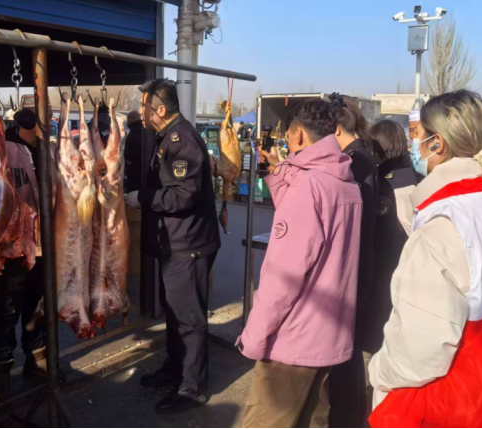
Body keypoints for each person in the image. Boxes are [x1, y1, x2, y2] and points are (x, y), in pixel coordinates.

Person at [369, 91, 482, 428]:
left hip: (456, 406)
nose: (414, 145)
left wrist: (378, 372)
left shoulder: (442, 225)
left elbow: (418, 353)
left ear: (438, 143)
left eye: (418, 135)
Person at [239, 99, 363, 429]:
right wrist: (278, 170)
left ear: (297, 134)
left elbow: (284, 276)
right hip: (330, 336)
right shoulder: (344, 179)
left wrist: (255, 335)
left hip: (294, 342)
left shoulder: (309, 186)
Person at [125, 79, 221, 415]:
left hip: (189, 244)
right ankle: (174, 368)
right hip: (176, 243)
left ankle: (193, 387)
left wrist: (142, 198)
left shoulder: (183, 140)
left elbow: (182, 195)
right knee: (175, 312)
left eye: (144, 107)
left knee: (189, 318)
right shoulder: (167, 136)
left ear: (161, 109)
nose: (141, 112)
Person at [0, 108, 47, 402]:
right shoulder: (5, 149)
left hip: (41, 241)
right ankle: (0, 368)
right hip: (12, 244)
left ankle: (37, 357)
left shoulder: (45, 151)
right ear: (31, 124)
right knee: (8, 307)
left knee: (37, 302)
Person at [328, 94, 379, 429]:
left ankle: (347, 418)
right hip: (360, 263)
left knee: (345, 354)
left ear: (336, 128)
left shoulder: (354, 161)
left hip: (354, 266)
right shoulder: (361, 155)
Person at [363, 120, 419, 356]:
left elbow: (414, 233)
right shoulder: (385, 176)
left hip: (392, 274)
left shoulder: (403, 184)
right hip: (380, 271)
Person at [124, 110, 143, 194]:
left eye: (128, 120)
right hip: (145, 170)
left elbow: (128, 155)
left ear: (131, 119)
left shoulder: (133, 134)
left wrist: (126, 172)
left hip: (134, 171)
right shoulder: (145, 130)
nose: (127, 122)